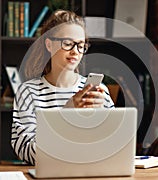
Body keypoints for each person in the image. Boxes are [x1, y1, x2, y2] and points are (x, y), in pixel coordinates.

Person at [11, 10, 114, 165]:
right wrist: (67, 114)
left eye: (80, 45)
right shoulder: (28, 92)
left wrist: (100, 119)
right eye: (67, 43)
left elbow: (114, 147)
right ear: (49, 44)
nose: (75, 51)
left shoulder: (99, 92)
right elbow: (27, 153)